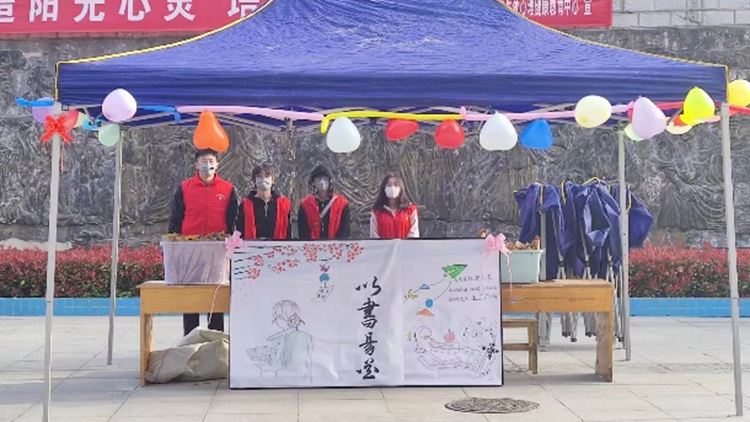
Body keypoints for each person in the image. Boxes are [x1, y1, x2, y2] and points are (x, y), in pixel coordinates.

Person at [168, 148, 239, 336]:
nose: (208, 165)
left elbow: (233, 221)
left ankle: (216, 341)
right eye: (203, 161)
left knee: (215, 296)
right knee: (191, 298)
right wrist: (173, 248)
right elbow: (175, 219)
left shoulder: (228, 189)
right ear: (196, 165)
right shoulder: (184, 188)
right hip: (190, 250)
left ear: (217, 165)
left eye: (211, 161)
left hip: (216, 251)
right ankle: (190, 340)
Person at [237, 163, 292, 240]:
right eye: (259, 176)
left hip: (278, 246)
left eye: (267, 176)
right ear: (254, 180)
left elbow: (288, 232)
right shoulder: (245, 204)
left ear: (273, 180)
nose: (263, 179)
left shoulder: (283, 204)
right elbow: (240, 232)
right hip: (252, 246)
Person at [298, 164, 351, 239]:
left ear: (330, 181)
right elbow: (303, 233)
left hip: (335, 245)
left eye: (325, 179)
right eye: (318, 179)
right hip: (313, 245)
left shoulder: (342, 204)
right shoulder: (305, 205)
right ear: (313, 182)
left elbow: (345, 232)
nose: (322, 182)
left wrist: (335, 244)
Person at [370, 173, 419, 238]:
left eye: (396, 185)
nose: (392, 188)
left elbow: (413, 235)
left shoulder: (411, 210)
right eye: (389, 185)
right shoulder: (376, 211)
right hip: (382, 245)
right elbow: (374, 235)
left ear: (401, 188)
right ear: (384, 188)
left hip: (406, 244)